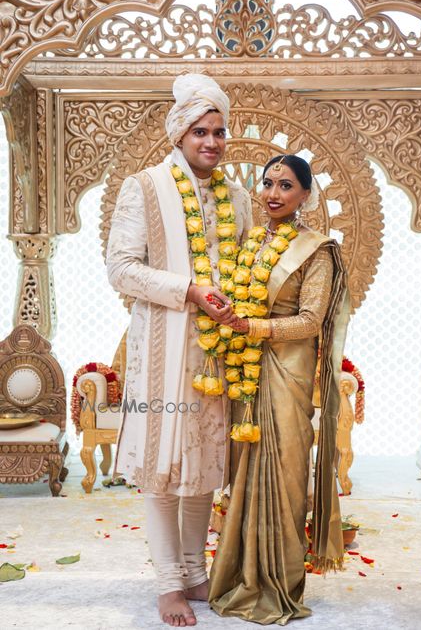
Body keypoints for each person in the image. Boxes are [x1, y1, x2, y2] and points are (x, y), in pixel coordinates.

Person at [106, 73, 252, 626]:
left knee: (205, 463)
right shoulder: (142, 187)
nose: (211, 141)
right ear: (178, 134)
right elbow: (121, 270)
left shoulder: (236, 198)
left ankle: (195, 571)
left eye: (218, 131)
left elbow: (241, 268)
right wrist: (187, 291)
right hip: (164, 349)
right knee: (165, 463)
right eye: (199, 131)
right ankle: (168, 583)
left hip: (218, 351)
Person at [208, 154, 349, 625]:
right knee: (245, 473)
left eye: (286, 185)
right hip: (247, 371)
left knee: (287, 474)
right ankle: (241, 577)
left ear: (306, 194)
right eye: (267, 183)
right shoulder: (250, 242)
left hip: (288, 372)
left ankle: (279, 585)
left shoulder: (318, 249)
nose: (273, 193)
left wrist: (252, 326)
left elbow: (310, 321)